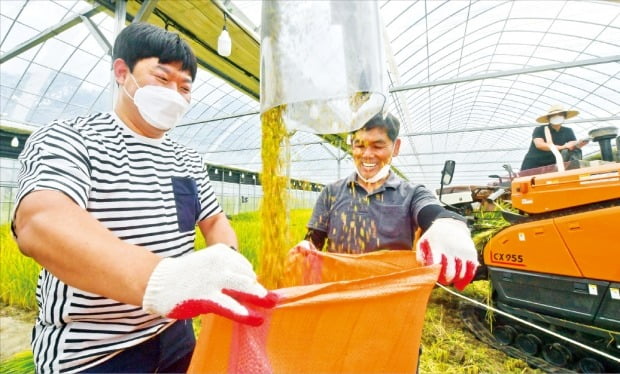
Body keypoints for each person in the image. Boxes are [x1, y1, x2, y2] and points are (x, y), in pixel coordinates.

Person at [11, 23, 276, 373]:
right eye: (162, 79)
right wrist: (160, 279)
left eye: (185, 87)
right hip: (96, 351)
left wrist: (224, 264)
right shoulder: (70, 138)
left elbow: (213, 220)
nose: (175, 94)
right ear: (123, 73)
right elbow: (40, 222)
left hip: (176, 334)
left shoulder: (188, 158)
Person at [305, 112, 479, 291]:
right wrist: (304, 249)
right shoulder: (331, 192)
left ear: (396, 147)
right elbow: (313, 240)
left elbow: (430, 210)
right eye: (359, 145)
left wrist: (448, 224)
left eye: (377, 146)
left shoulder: (411, 193)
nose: (367, 155)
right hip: (338, 293)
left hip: (390, 296)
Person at [520, 104, 589, 171]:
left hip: (553, 164)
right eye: (554, 116)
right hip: (534, 164)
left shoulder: (568, 131)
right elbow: (540, 145)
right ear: (549, 118)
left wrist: (578, 144)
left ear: (564, 117)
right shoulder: (540, 129)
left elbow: (571, 145)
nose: (557, 117)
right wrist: (563, 147)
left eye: (560, 115)